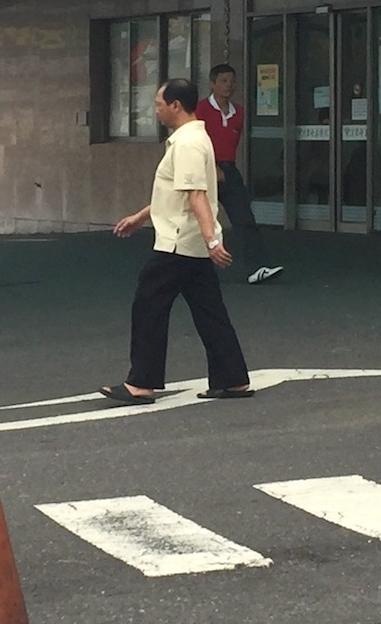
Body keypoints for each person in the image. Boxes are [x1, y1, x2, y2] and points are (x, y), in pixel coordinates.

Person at [100, 77, 253, 404]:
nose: (154, 110)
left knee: (149, 305)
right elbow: (175, 192)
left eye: (158, 104)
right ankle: (233, 379)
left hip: (178, 242)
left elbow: (195, 195)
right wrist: (139, 218)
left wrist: (213, 241)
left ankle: (140, 383)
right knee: (209, 310)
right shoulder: (196, 138)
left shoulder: (186, 144)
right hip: (191, 240)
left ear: (175, 106)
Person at [196, 63, 284, 285]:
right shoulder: (201, 110)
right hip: (205, 170)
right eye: (223, 81)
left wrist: (224, 167)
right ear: (212, 83)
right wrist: (211, 166)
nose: (229, 86)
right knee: (196, 220)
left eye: (232, 81)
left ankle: (257, 267)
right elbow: (196, 143)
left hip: (230, 170)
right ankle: (186, 270)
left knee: (244, 218)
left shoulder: (239, 113)